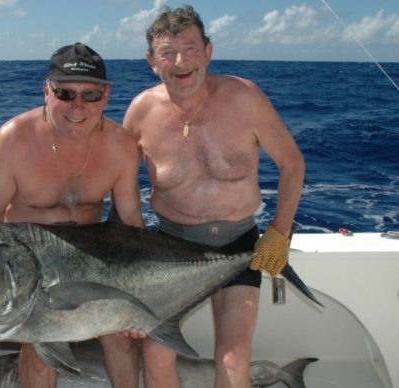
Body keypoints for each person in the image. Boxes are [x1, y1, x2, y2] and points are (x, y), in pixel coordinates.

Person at [123, 5, 305, 388]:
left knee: (234, 357)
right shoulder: (140, 113)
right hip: (171, 247)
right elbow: (120, 187)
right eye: (167, 53)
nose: (180, 62)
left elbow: (292, 164)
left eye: (190, 49)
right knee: (155, 353)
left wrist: (279, 232)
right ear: (151, 61)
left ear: (208, 51)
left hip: (238, 244)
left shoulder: (245, 97)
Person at [0, 42, 144, 388]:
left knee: (122, 338)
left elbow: (131, 227)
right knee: (39, 351)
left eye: (90, 95)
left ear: (106, 95)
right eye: (65, 93)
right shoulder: (13, 141)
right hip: (33, 273)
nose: (77, 106)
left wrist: (137, 301)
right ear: (46, 91)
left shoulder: (120, 145)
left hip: (93, 265)